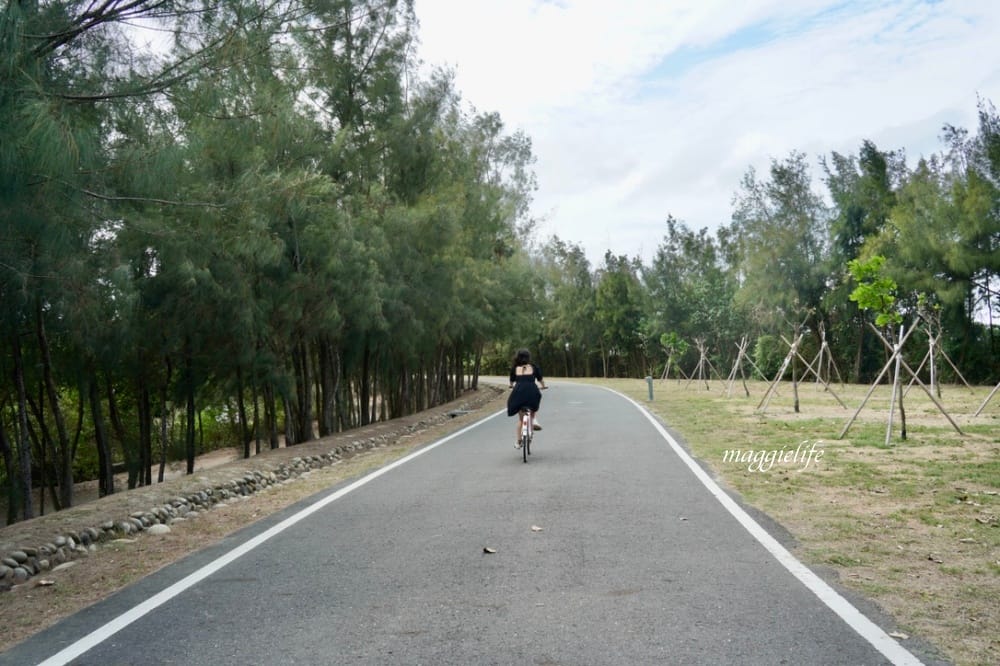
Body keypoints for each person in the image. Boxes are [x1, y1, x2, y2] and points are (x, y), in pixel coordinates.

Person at [507, 348, 547, 448]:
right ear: (529, 357)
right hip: (532, 391)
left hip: (518, 393)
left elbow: (511, 382)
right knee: (533, 403)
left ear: (517, 358)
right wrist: (543, 386)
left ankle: (518, 441)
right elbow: (540, 379)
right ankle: (533, 419)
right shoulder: (533, 367)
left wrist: (512, 386)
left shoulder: (514, 368)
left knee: (521, 419)